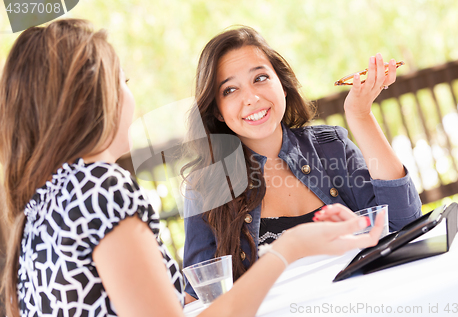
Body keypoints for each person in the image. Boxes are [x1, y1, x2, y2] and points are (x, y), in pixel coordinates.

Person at [0, 19, 386, 317]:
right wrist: (290, 248)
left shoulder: (41, 202)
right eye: (123, 80)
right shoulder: (99, 190)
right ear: (93, 99)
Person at [182, 26, 422, 303]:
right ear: (217, 111)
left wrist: (360, 114)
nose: (251, 97)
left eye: (260, 78)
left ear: (283, 86)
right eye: (230, 89)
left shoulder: (330, 146)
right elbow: (200, 296)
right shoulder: (205, 188)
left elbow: (405, 224)